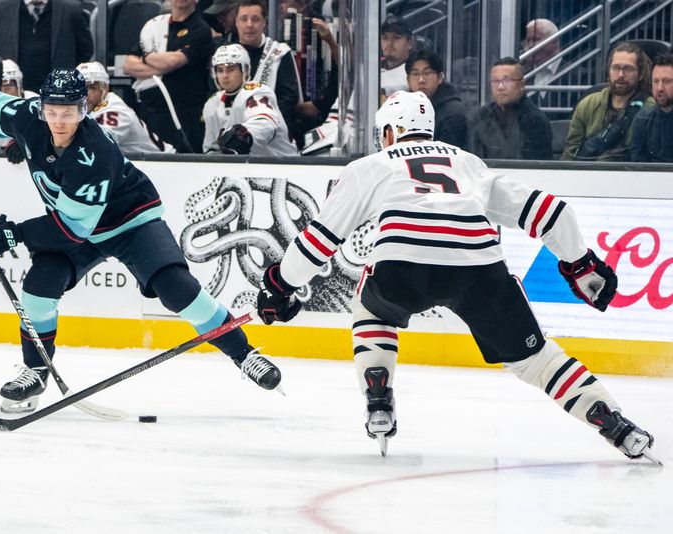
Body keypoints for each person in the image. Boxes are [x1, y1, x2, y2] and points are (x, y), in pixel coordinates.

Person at [255, 90, 657, 462]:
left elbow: (318, 242)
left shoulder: (369, 166)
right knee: (536, 361)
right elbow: (551, 211)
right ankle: (617, 426)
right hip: (479, 267)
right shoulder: (467, 162)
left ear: (391, 132)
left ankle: (378, 398)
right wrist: (580, 262)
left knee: (372, 309)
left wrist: (280, 285)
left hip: (403, 265)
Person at [0, 68, 282, 414]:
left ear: (84, 109)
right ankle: (35, 372)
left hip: (130, 222)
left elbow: (70, 229)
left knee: (176, 288)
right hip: (77, 224)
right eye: (52, 111)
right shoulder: (28, 115)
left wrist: (9, 234)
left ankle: (244, 353)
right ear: (42, 106)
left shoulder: (92, 152)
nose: (59, 121)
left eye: (69, 112)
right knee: (38, 286)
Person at [123, 0, 213, 153]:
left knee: (185, 165)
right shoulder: (155, 26)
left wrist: (146, 57)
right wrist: (160, 65)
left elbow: (172, 62)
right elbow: (128, 66)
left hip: (184, 115)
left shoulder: (201, 30)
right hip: (150, 113)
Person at [562, 42, 654, 161]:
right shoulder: (588, 104)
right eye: (616, 68)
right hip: (587, 174)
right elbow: (570, 153)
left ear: (640, 74)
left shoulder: (651, 109)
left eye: (628, 69)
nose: (620, 75)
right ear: (608, 70)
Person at [203, 44, 297, 156]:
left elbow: (265, 122)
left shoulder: (256, 92)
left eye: (231, 69)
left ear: (245, 70)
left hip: (280, 164)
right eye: (220, 70)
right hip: (242, 168)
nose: (224, 76)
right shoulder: (212, 104)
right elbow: (212, 149)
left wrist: (244, 134)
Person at [0, 0, 94, 92]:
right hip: (14, 91)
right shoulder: (1, 6)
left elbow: (85, 49)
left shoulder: (70, 7)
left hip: (59, 91)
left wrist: (65, 73)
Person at [236, 0, 302, 146]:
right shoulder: (225, 54)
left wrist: (264, 130)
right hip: (235, 133)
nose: (249, 25)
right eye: (243, 19)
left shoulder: (279, 53)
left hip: (273, 137)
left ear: (264, 23)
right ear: (236, 23)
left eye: (255, 19)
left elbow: (288, 99)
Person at [77, 61, 168, 155]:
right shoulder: (85, 108)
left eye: (91, 87)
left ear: (105, 88)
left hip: (164, 164)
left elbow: (95, 146)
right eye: (79, 88)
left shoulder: (115, 111)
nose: (84, 94)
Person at [470, 57, 553, 160]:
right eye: (495, 81)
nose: (500, 87)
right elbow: (471, 157)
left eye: (507, 80)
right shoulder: (482, 115)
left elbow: (532, 165)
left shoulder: (535, 120)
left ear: (522, 85)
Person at [405, 49, 468, 149]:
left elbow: (449, 156)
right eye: (415, 74)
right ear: (408, 80)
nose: (421, 80)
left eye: (427, 73)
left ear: (440, 77)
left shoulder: (453, 112)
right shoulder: (402, 109)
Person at [0, 59, 35, 163]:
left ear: (19, 85)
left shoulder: (34, 103)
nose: (2, 91)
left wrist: (27, 143)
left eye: (7, 85)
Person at [630, 53, 673, 162]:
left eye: (667, 81)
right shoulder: (642, 119)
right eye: (655, 81)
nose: (660, 88)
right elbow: (638, 167)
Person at [521, 18, 562, 108]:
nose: (531, 45)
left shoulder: (575, 73)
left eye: (536, 39)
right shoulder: (523, 75)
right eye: (528, 40)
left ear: (554, 41)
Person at [380, 15, 412, 98]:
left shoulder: (417, 73)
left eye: (396, 38)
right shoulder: (371, 72)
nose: (389, 43)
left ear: (410, 43)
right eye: (385, 38)